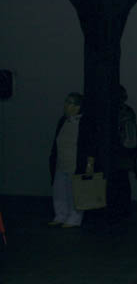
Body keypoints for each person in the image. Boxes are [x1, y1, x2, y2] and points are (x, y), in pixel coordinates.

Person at [48, 92, 85, 228]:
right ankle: (61, 215)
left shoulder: (83, 123)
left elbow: (88, 145)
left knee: (73, 192)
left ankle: (74, 217)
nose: (66, 105)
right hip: (61, 162)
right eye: (66, 102)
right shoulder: (63, 121)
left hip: (74, 163)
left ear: (78, 107)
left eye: (70, 103)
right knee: (59, 191)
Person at [107, 84, 137, 225]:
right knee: (122, 181)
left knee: (119, 181)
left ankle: (119, 209)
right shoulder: (126, 111)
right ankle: (122, 209)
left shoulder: (119, 112)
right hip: (124, 152)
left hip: (119, 152)